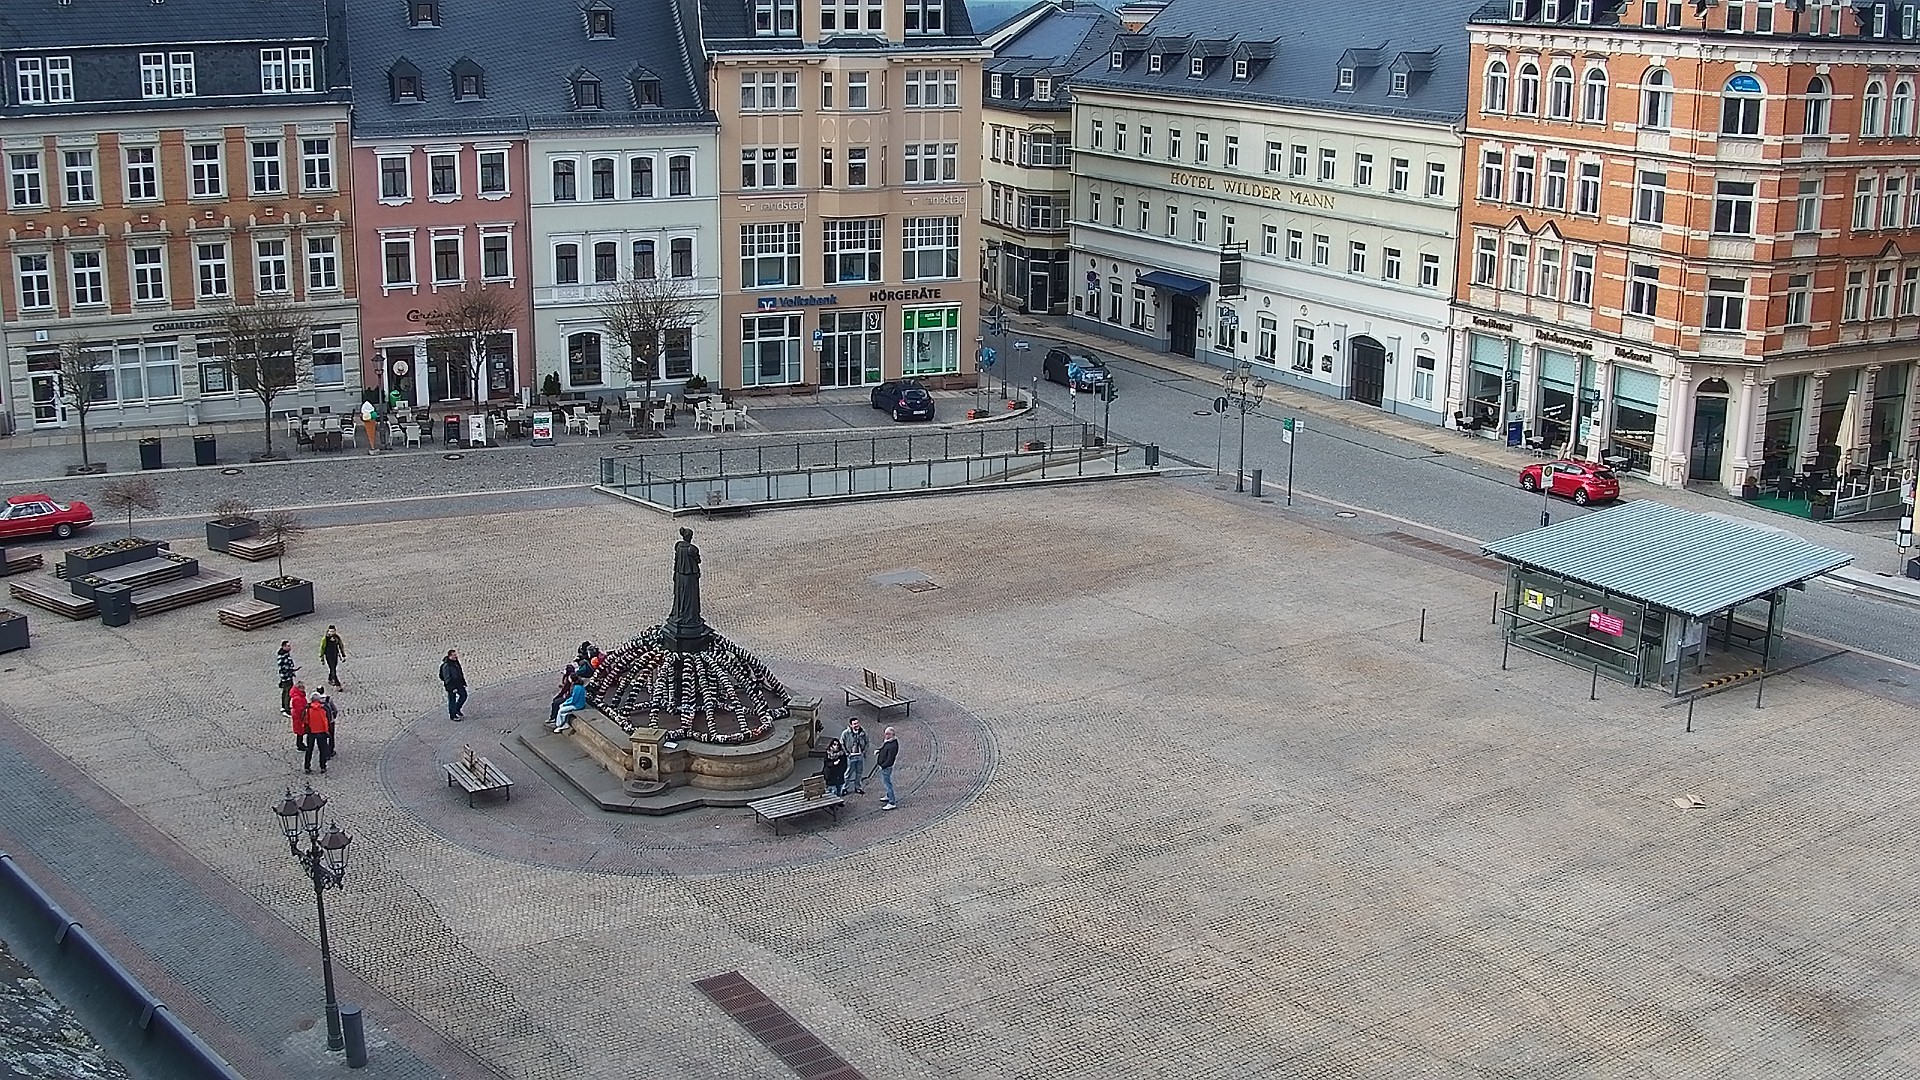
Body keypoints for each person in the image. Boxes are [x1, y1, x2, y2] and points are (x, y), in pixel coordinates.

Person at [303, 693, 333, 773]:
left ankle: (307, 766)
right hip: (322, 731)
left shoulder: (308, 709)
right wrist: (327, 731)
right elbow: (327, 720)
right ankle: (322, 766)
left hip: (311, 731)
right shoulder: (323, 708)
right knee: (322, 750)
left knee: (309, 750)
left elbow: (305, 720)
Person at [840, 717, 870, 795]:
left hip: (860, 756)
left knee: (859, 773)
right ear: (850, 725)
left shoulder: (863, 732)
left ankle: (858, 787)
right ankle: (845, 788)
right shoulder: (846, 733)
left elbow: (867, 742)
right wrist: (847, 753)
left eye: (857, 723)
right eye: (854, 724)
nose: (856, 725)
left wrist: (864, 751)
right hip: (851, 756)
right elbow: (842, 743)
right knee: (848, 773)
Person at [439, 649, 467, 720]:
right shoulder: (446, 666)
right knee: (452, 700)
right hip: (451, 686)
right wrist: (451, 687)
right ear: (450, 656)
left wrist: (463, 682)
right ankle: (453, 715)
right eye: (454, 655)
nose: (456, 656)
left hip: (459, 683)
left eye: (456, 655)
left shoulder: (456, 662)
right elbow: (446, 678)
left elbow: (460, 673)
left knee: (464, 696)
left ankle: (457, 709)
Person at [876, 727, 900, 810]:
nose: (885, 735)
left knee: (887, 784)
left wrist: (883, 766)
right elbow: (884, 748)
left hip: (886, 767)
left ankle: (892, 802)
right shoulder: (888, 742)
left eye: (887, 734)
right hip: (884, 766)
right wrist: (879, 751)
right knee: (886, 782)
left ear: (891, 735)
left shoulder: (892, 745)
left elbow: (890, 759)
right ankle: (888, 796)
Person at [276, 640, 298, 715]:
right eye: (288, 646)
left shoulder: (285, 654)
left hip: (287, 676)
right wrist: (290, 671)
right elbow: (283, 668)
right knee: (288, 692)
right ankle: (286, 709)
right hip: (286, 678)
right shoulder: (282, 657)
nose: (290, 647)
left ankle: (284, 706)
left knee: (285, 692)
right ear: (284, 646)